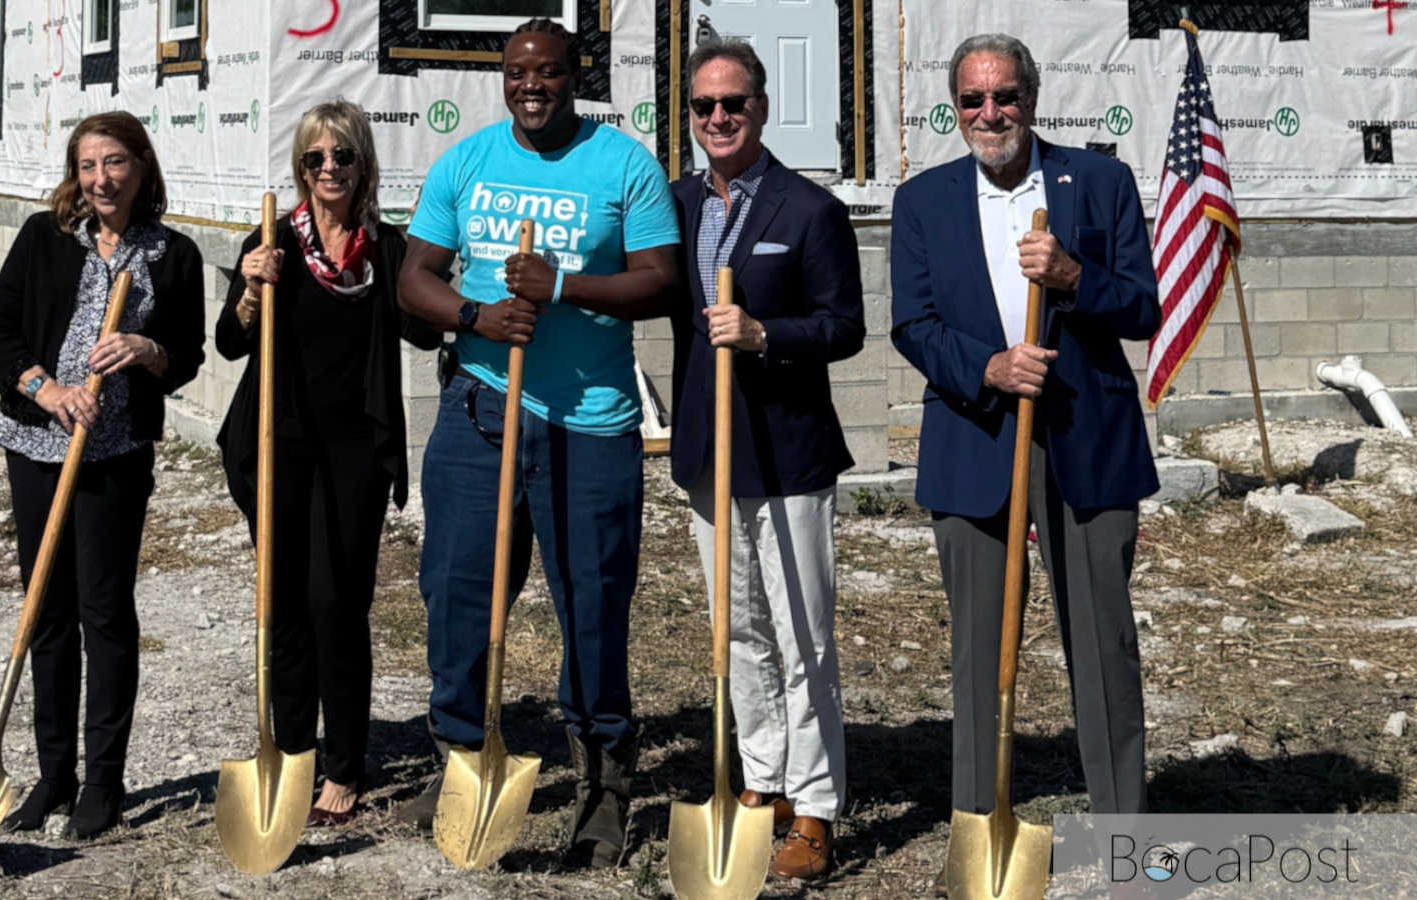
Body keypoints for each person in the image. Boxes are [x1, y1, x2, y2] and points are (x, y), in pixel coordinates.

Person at [395, 17, 680, 868]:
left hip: (589, 421)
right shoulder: (469, 161)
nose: (532, 86)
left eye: (549, 73)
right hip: (481, 411)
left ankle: (602, 779)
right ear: (503, 76)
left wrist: (563, 284)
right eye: (519, 72)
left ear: (574, 75)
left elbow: (662, 283)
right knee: (456, 590)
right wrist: (476, 315)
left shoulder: (623, 164)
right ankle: (462, 756)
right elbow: (414, 279)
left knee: (591, 602)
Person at [889, 33, 1159, 887]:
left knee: (1104, 645)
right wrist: (988, 368)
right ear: (954, 109)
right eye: (972, 100)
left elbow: (1144, 307)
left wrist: (1076, 274)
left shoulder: (1099, 182)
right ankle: (983, 830)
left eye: (1004, 96)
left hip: (1087, 443)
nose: (990, 114)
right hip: (977, 439)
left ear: (1032, 97)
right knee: (978, 650)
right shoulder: (923, 200)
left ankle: (1124, 835)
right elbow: (913, 323)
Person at [668, 41, 864, 881]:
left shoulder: (808, 209)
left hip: (788, 454)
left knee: (803, 634)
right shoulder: (672, 204)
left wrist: (764, 335)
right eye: (705, 107)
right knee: (737, 630)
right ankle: (765, 781)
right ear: (689, 115)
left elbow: (845, 326)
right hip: (711, 451)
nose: (719, 118)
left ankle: (816, 805)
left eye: (734, 104)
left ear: (761, 106)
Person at [214, 100, 440, 826]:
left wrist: (448, 289)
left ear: (364, 164)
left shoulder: (390, 251)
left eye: (342, 156)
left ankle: (344, 764)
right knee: (282, 604)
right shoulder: (274, 242)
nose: (329, 169)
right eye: (315, 158)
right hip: (277, 443)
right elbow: (228, 342)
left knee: (337, 604)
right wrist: (251, 288)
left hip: (354, 452)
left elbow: (422, 333)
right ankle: (289, 753)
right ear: (300, 169)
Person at [0, 111, 205, 839]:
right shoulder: (44, 239)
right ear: (74, 175)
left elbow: (188, 354)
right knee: (47, 611)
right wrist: (46, 389)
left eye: (114, 163)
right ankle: (53, 775)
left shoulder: (172, 254)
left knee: (105, 614)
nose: (101, 179)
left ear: (142, 167)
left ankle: (102, 784)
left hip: (113, 454)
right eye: (87, 166)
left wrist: (147, 347)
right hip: (37, 444)